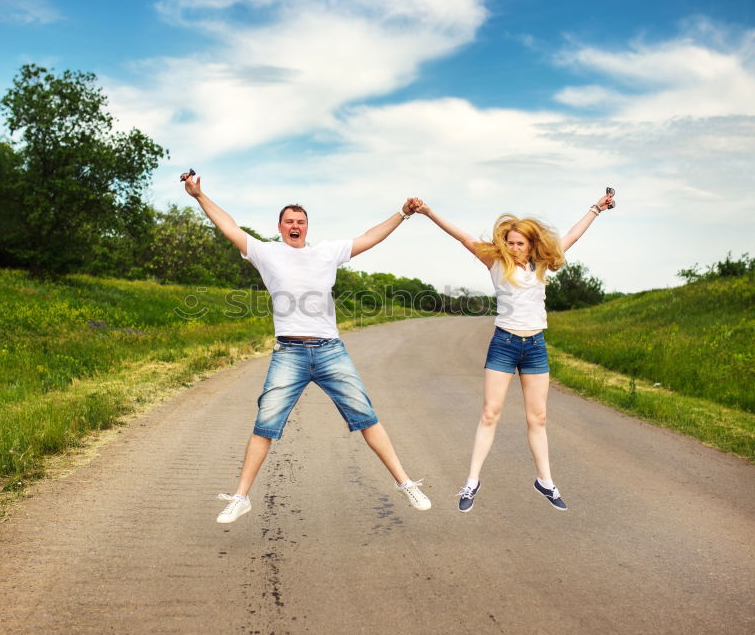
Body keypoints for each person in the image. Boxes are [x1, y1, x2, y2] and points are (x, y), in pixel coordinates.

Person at [181, 171, 432, 524]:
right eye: (289, 221)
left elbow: (370, 237)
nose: (295, 225)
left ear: (307, 227)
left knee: (366, 416)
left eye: (300, 221)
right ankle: (241, 497)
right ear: (280, 227)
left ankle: (405, 483)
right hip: (289, 354)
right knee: (265, 423)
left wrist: (403, 214)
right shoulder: (265, 253)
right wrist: (199, 196)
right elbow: (230, 227)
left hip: (330, 351)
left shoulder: (327, 253)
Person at [415, 189, 615, 512]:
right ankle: (471, 483)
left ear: (531, 245)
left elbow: (573, 236)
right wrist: (428, 212)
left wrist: (597, 208)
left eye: (520, 243)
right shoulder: (495, 263)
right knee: (490, 413)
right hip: (504, 345)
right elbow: (462, 237)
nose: (514, 247)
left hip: (535, 346)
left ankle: (545, 482)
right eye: (510, 242)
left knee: (538, 417)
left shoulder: (543, 265)